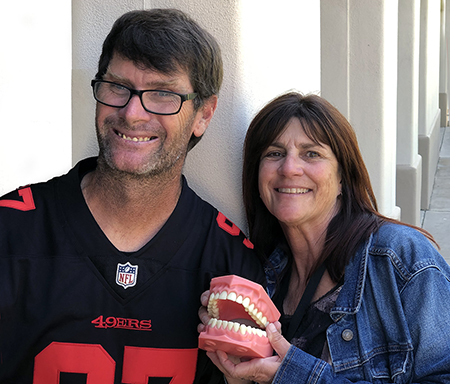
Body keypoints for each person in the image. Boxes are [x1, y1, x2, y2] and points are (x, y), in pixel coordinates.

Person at [0, 9, 265, 384]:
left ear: (204, 114)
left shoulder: (231, 262)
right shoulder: (10, 229)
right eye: (117, 87)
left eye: (162, 94)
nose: (133, 113)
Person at [202, 92, 450, 383]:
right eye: (274, 153)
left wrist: (296, 376)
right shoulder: (262, 275)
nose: (289, 168)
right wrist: (241, 368)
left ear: (343, 177)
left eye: (311, 153)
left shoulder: (402, 261)